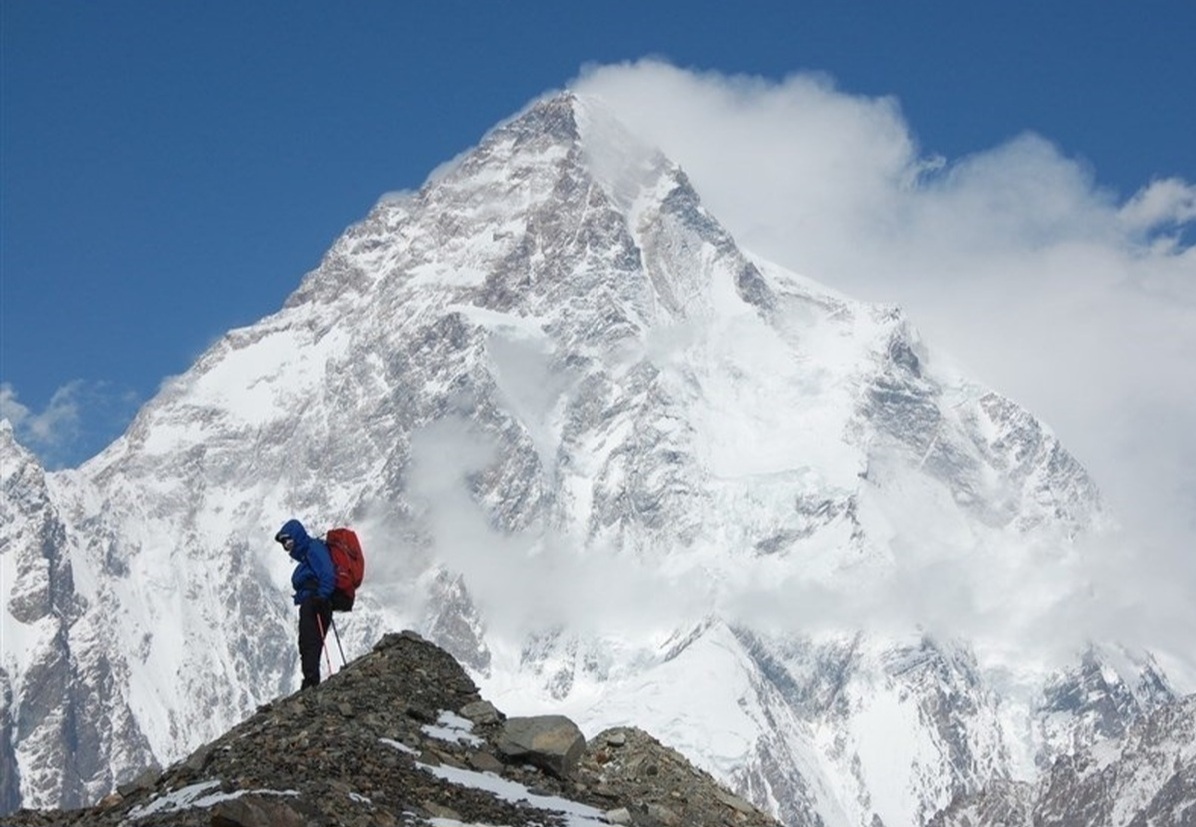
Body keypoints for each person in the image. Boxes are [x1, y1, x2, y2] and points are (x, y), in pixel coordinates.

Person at [275, 519, 335, 689]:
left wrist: (322, 597)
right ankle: (310, 679)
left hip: (316, 602)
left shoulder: (313, 549)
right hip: (313, 601)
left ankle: (311, 681)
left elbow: (327, 573)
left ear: (298, 537)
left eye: (289, 541)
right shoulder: (308, 554)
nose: (288, 547)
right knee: (308, 641)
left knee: (309, 641)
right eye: (285, 544)